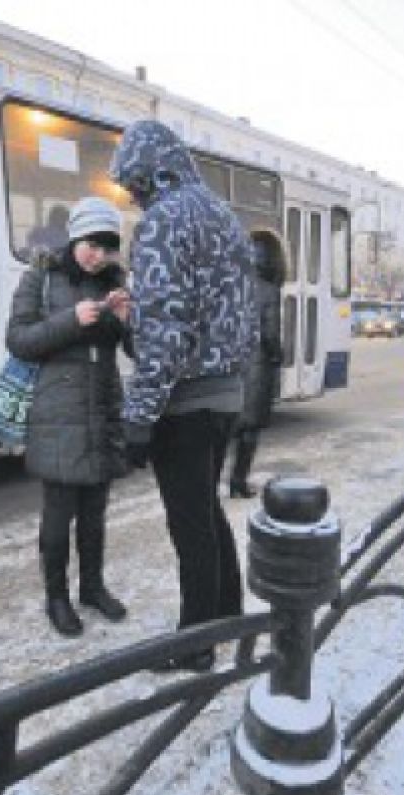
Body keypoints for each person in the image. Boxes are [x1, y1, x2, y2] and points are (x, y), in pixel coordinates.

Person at [109, 119, 257, 672]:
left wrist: (140, 416)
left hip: (184, 398)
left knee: (188, 522)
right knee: (207, 510)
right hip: (224, 394)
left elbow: (169, 330)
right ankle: (228, 613)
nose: (132, 192)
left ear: (148, 169)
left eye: (133, 182)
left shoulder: (163, 221)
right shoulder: (222, 215)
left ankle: (195, 644)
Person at [5, 196, 132, 637]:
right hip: (58, 413)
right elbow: (18, 340)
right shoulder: (41, 276)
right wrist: (71, 320)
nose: (98, 255)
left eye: (107, 246)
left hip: (103, 409)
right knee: (59, 517)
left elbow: (133, 349)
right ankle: (56, 597)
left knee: (96, 515)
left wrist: (125, 320)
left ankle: (92, 588)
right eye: (91, 244)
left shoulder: (116, 282)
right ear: (74, 236)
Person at [228, 230, 285, 498]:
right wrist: (278, 356)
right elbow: (270, 334)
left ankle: (217, 481)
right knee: (249, 429)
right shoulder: (269, 290)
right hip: (257, 366)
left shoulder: (232, 284)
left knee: (227, 426)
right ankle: (238, 481)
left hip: (231, 364)